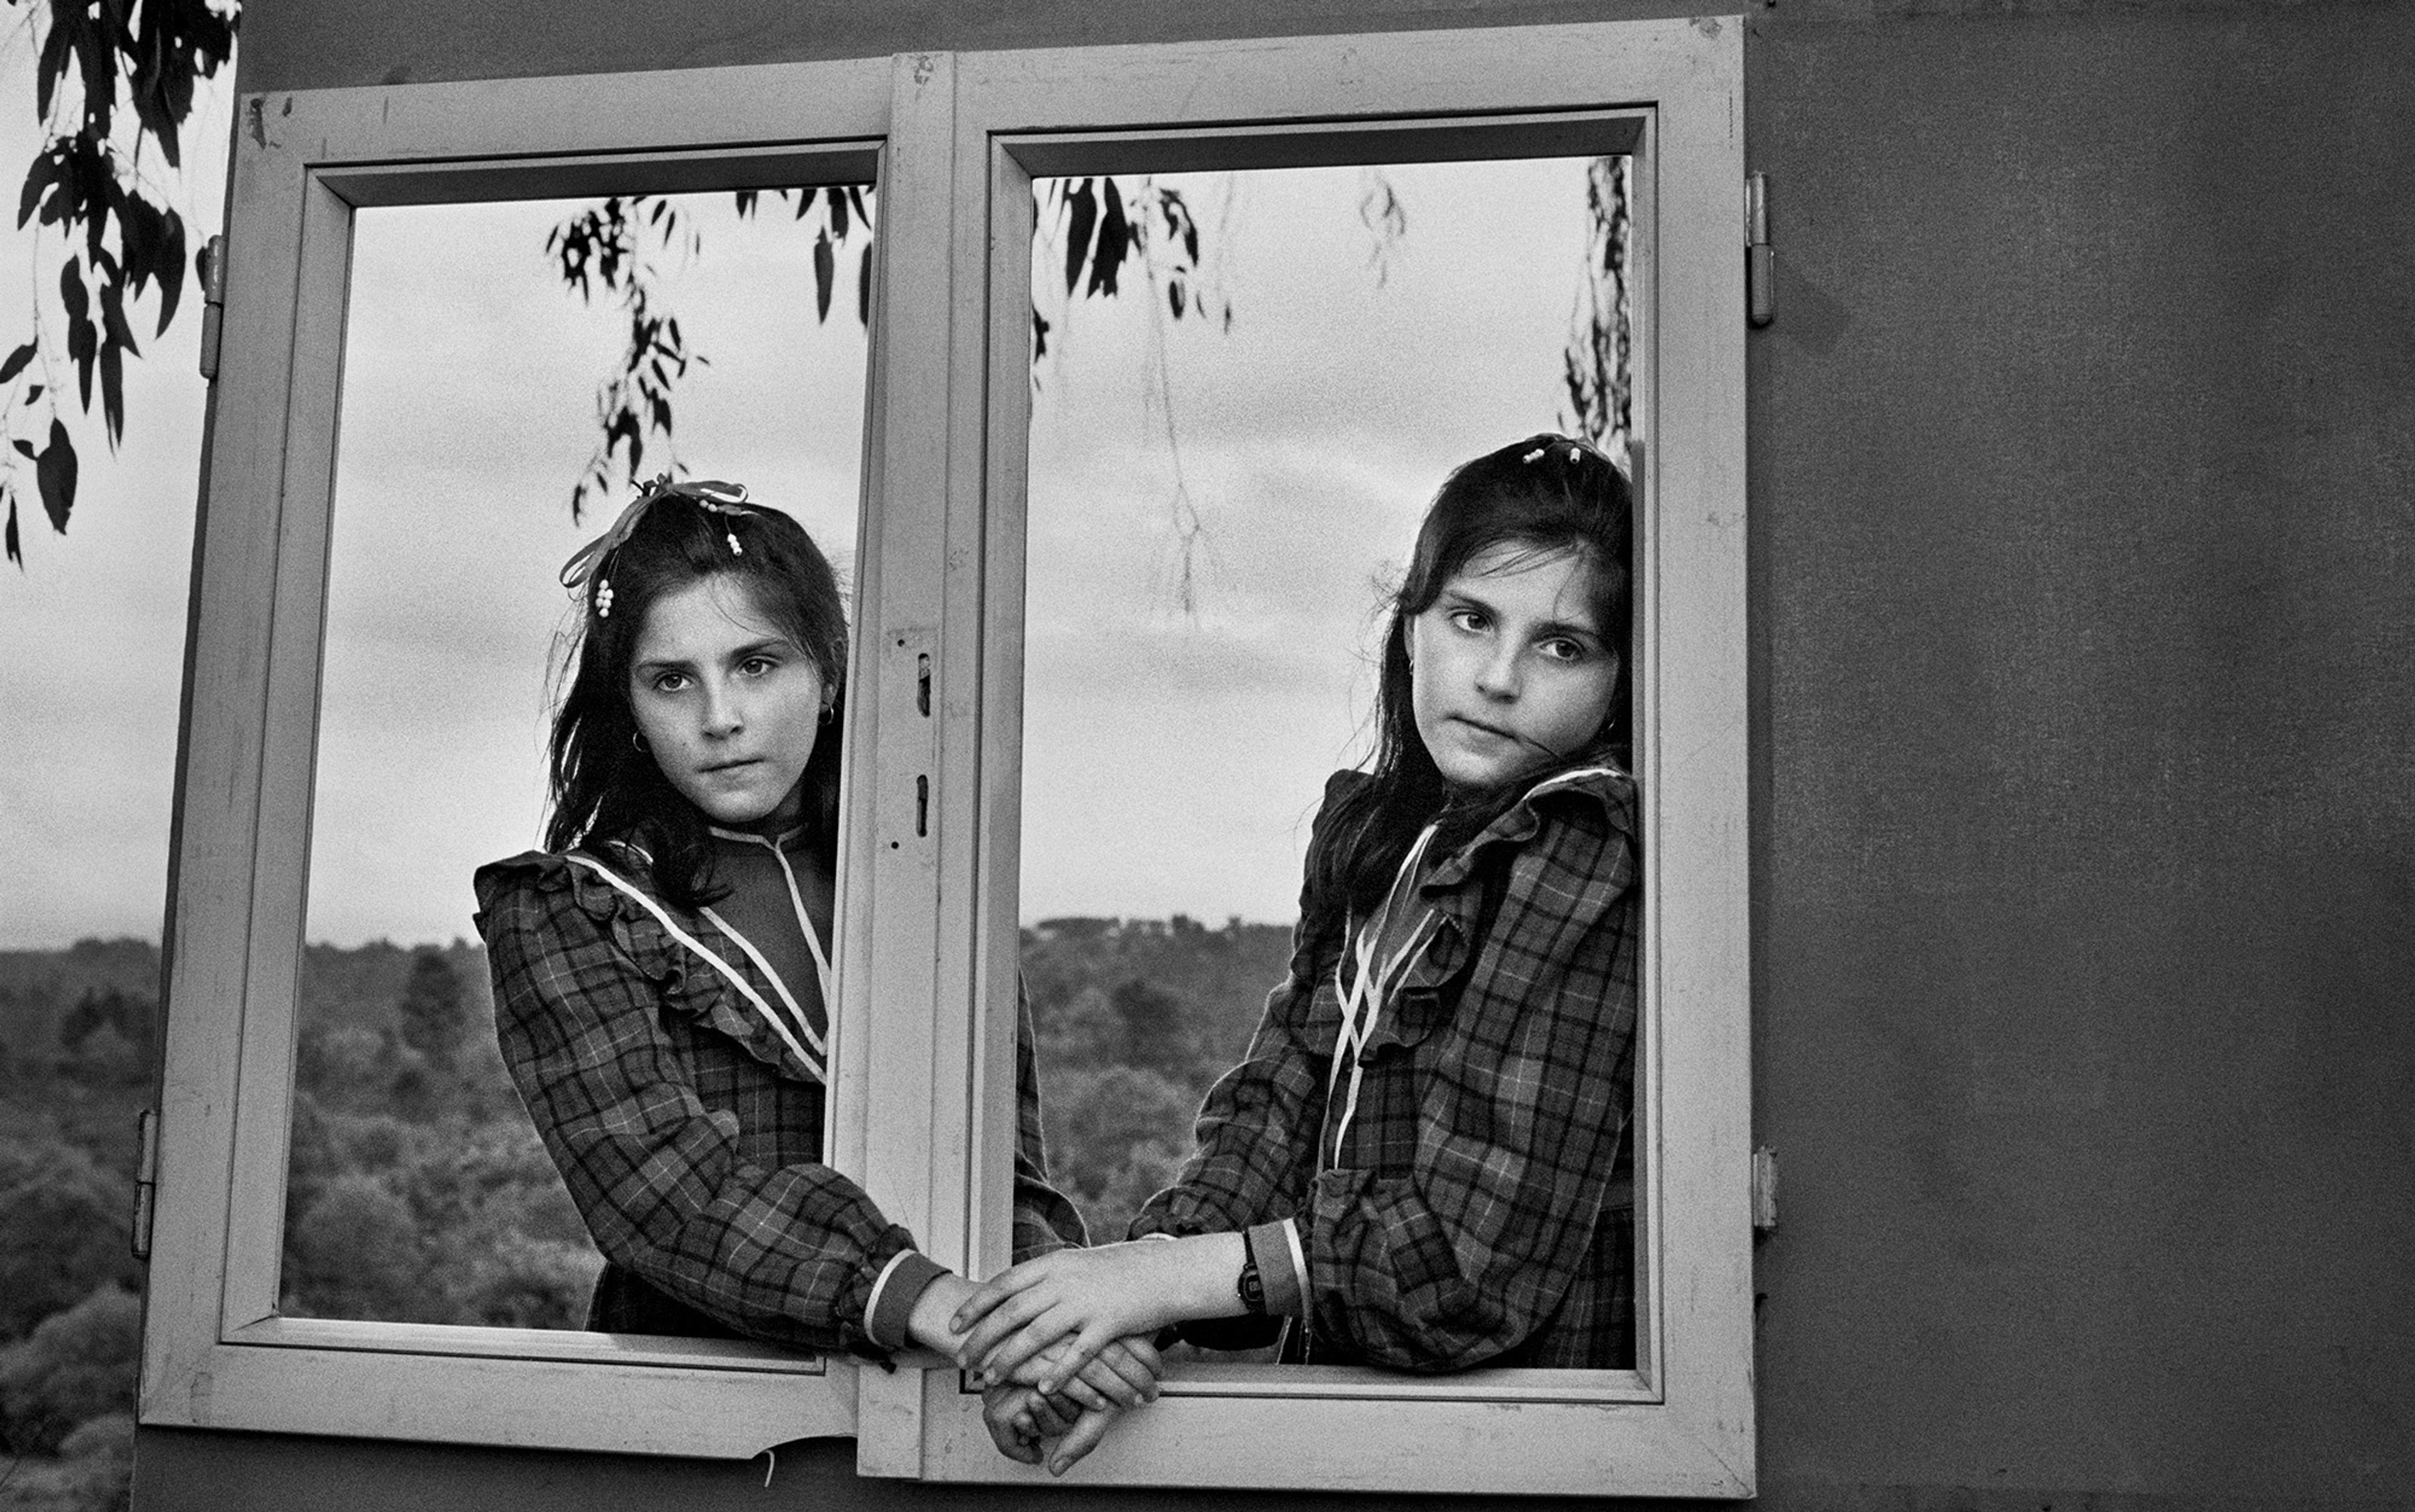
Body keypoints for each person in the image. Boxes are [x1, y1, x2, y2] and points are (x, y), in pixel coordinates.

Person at [955, 435, 1641, 1460]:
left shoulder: (1583, 846)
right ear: (1410, 630)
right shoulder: (1385, 835)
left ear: (1621, 679)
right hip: (1350, 1431)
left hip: (1526, 1453)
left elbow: (1464, 1271)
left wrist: (1167, 1282)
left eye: (1561, 645)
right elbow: (1279, 1101)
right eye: (1471, 619)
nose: (1499, 678)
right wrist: (1114, 1317)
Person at [474, 477, 1158, 1441]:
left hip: (951, 1411)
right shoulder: (567, 912)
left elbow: (1008, 1171)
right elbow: (666, 1200)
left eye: (757, 666)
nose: (721, 716)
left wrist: (1057, 1337)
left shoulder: (930, 889)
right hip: (700, 1432)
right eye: (673, 679)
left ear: (829, 677)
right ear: (626, 705)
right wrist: (971, 1321)